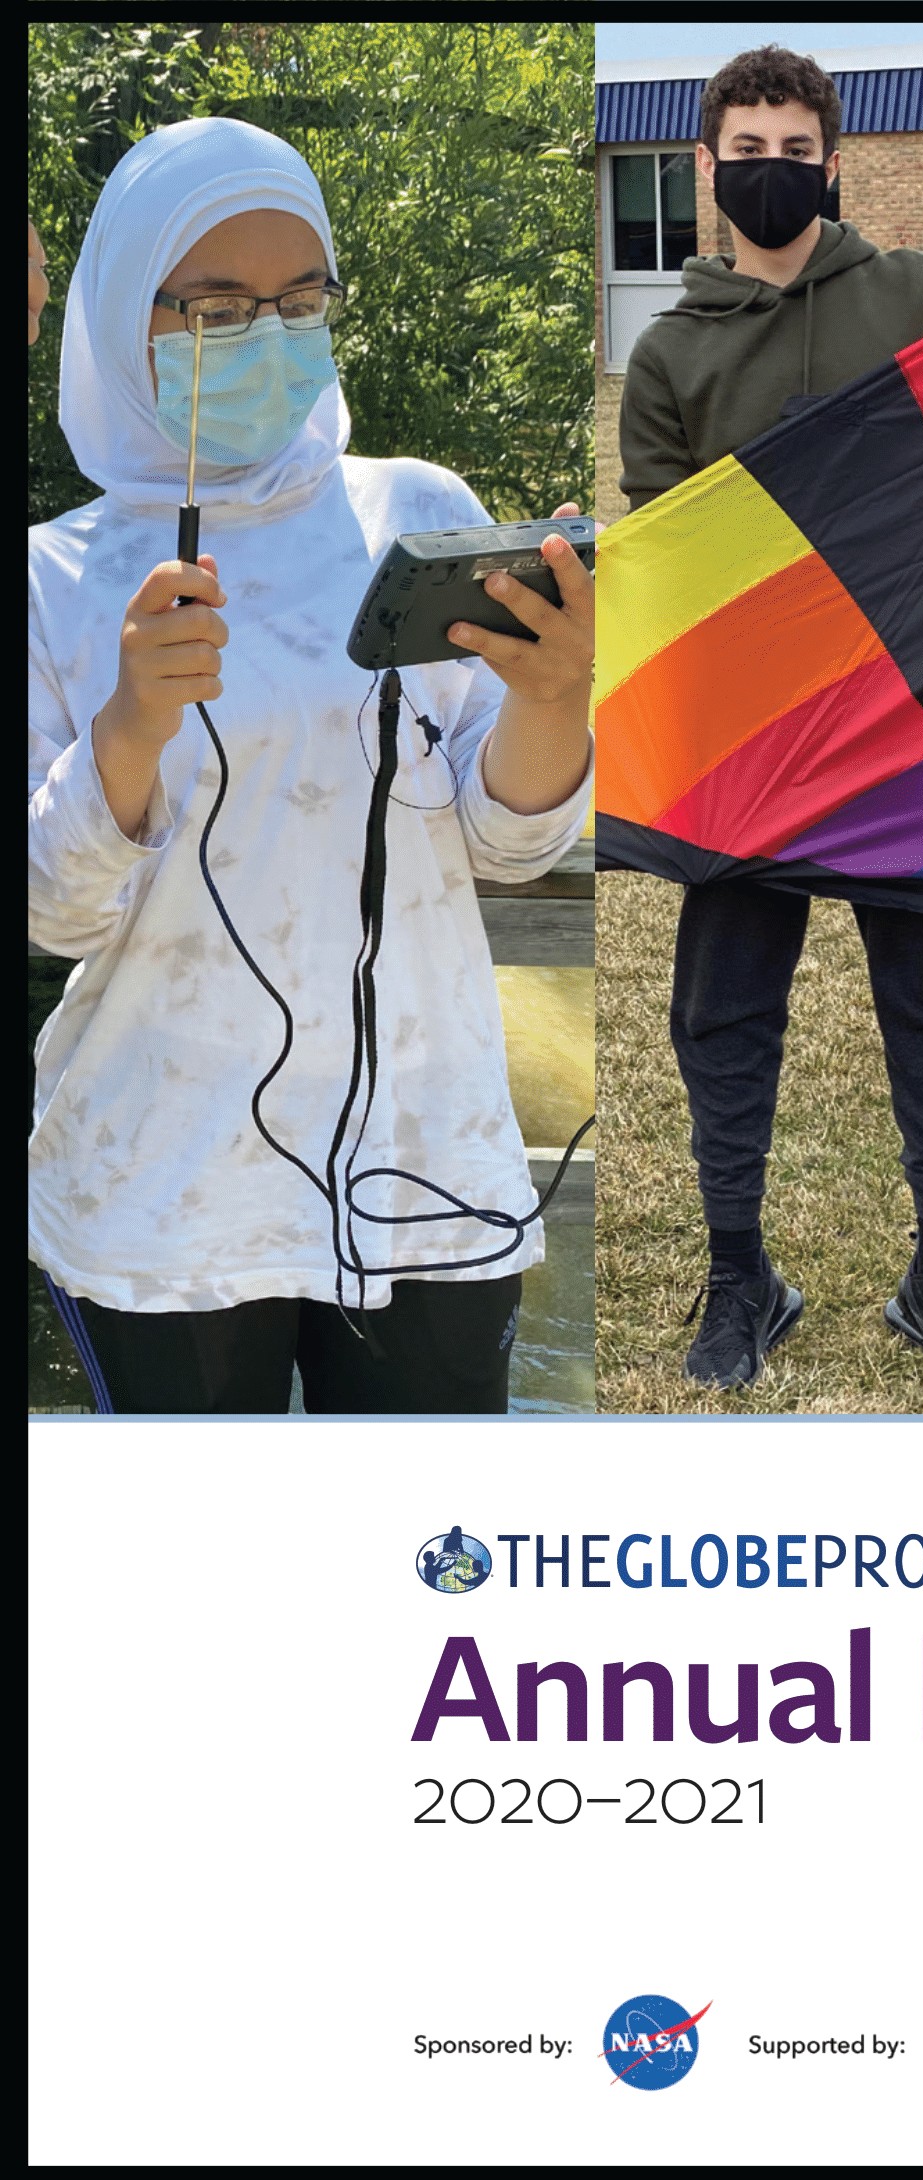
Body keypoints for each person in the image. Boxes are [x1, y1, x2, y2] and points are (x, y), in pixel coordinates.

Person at [28, 118, 594, 1415]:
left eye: (300, 299)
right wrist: (125, 729)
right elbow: (51, 914)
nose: (270, 334)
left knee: (414, 1571)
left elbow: (506, 848)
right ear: (126, 311)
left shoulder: (417, 513)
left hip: (424, 1171)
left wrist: (552, 696)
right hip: (159, 1196)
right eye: (219, 306)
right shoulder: (54, 578)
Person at [618, 43, 923, 1390]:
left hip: (907, 716)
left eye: (796, 152)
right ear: (706, 165)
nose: (770, 173)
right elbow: (668, 549)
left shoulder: (917, 296)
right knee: (722, 1007)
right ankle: (742, 1274)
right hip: (752, 735)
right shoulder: (669, 353)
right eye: (748, 150)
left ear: (832, 163)